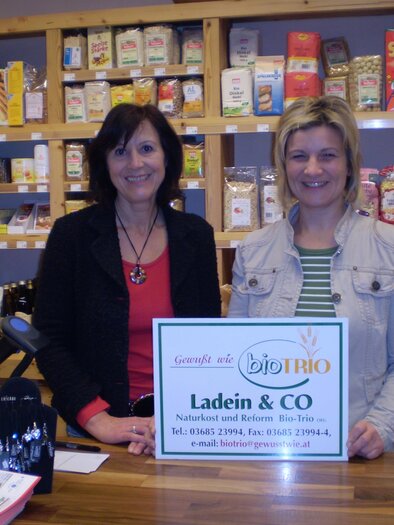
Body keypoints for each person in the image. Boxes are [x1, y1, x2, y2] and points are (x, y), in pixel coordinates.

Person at [33, 103, 221, 456]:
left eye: (147, 149)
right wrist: (98, 419)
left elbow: (207, 341)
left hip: (181, 426)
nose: (135, 164)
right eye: (120, 151)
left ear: (167, 157)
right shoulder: (72, 235)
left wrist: (178, 417)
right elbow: (49, 340)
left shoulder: (195, 236)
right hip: (96, 430)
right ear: (105, 162)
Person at [228, 96, 394, 459]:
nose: (312, 169)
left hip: (361, 456)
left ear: (349, 165)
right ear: (284, 165)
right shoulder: (253, 251)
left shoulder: (388, 248)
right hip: (269, 451)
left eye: (328, 155)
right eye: (299, 156)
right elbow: (235, 358)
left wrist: (383, 426)